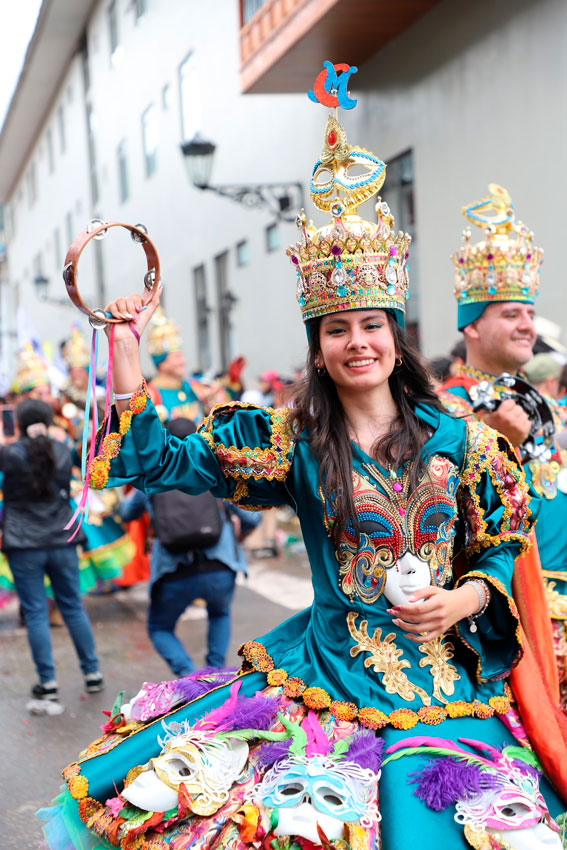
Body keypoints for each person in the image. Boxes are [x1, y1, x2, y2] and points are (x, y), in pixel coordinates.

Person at [41, 108, 565, 849]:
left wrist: (464, 599)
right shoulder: (290, 444)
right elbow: (160, 462)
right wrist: (125, 351)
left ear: (395, 334)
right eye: (336, 330)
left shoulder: (463, 440)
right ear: (317, 349)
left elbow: (501, 543)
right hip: (328, 682)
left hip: (455, 692)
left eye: (372, 325)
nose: (357, 343)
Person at [439, 184, 567, 708]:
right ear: (471, 323)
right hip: (511, 613)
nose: (528, 327)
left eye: (530, 315)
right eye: (512, 314)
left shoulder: (545, 402)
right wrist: (499, 444)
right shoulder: (443, 408)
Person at [119, 416, 260, 676]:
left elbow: (126, 513)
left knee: (160, 628)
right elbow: (253, 516)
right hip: (220, 566)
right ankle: (215, 675)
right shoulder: (215, 473)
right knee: (219, 614)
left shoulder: (153, 479)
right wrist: (237, 539)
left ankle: (188, 677)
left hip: (174, 571)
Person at [0, 399, 103, 709]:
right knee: (73, 606)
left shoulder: (8, 453)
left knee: (35, 612)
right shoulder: (63, 449)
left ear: (17, 422)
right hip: (62, 538)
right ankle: (93, 672)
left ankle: (48, 682)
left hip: (24, 543)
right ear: (50, 419)